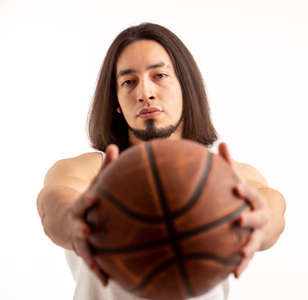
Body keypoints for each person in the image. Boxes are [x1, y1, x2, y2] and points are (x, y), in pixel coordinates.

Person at [37, 23, 286, 300]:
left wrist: (261, 222)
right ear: (116, 102)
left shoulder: (224, 176)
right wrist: (74, 223)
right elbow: (52, 205)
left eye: (160, 75)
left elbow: (273, 208)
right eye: (128, 82)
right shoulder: (88, 172)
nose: (145, 92)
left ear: (185, 87)